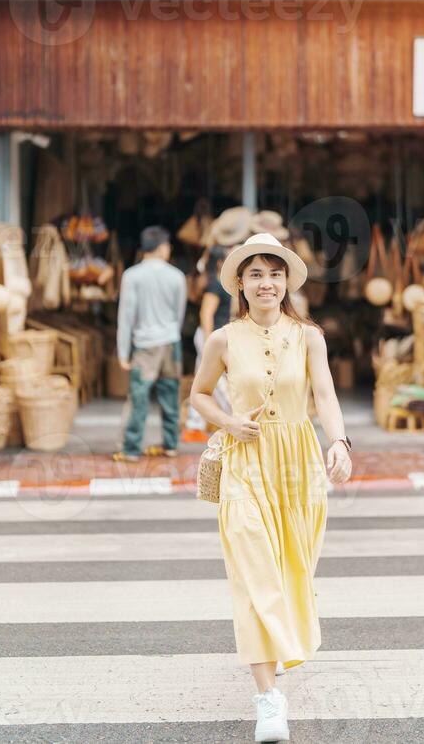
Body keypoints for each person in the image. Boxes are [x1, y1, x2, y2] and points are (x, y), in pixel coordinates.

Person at [190, 232, 352, 743]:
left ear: (287, 282)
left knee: (290, 568)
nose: (267, 283)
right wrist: (229, 423)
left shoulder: (309, 337)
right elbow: (198, 395)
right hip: (245, 463)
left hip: (298, 463)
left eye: (275, 273)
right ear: (240, 281)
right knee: (253, 572)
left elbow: (323, 392)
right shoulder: (223, 339)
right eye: (256, 274)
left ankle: (276, 643)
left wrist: (340, 442)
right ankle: (268, 701)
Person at [113, 225, 187, 462]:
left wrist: (123, 352)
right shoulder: (177, 276)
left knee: (139, 397)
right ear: (162, 247)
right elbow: (179, 313)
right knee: (170, 393)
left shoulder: (132, 275)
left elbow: (126, 317)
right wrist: (171, 331)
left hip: (144, 346)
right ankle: (171, 444)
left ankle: (132, 448)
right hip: (170, 343)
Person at [185, 245, 232, 434]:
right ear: (220, 262)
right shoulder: (216, 284)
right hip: (210, 336)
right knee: (218, 379)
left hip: (211, 336)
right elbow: (206, 314)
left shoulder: (216, 282)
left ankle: (194, 424)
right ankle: (236, 414)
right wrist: (208, 341)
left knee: (201, 378)